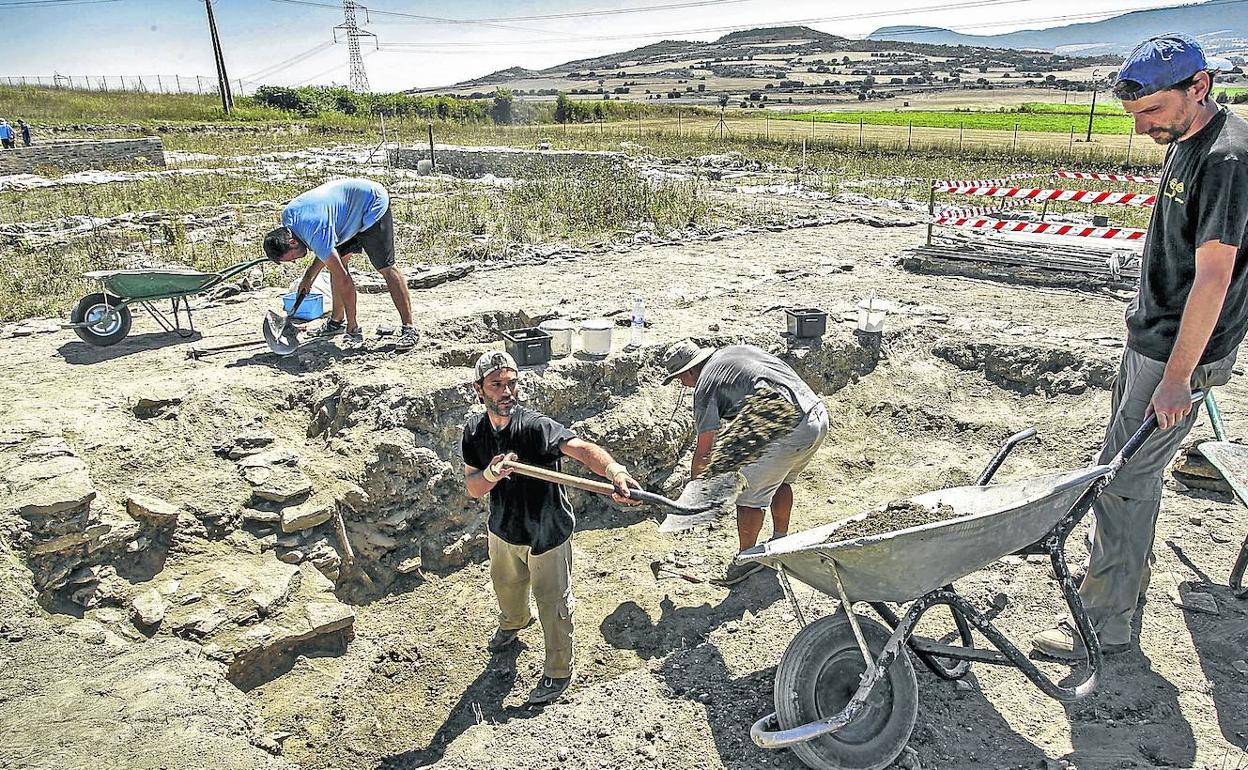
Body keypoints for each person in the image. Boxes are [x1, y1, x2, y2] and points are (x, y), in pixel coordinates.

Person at [1032, 33, 1248, 660]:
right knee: (1117, 468)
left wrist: (1179, 376)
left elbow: (1215, 276)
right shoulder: (1185, 139)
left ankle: (1106, 623)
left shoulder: (1227, 160)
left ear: (1197, 88)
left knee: (1128, 479)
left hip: (1178, 353)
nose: (1144, 125)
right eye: (1135, 115)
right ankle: (1112, 581)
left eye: (1153, 110)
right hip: (1152, 336)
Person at [461, 351, 641, 705]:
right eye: (497, 384)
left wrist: (615, 472)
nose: (507, 391)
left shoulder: (535, 427)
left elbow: (581, 448)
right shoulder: (474, 432)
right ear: (478, 390)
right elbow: (473, 487)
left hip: (547, 533)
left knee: (553, 606)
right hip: (504, 530)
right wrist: (493, 473)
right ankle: (513, 624)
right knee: (507, 590)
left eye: (512, 383)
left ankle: (559, 672)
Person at [662, 340, 829, 586]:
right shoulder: (734, 353)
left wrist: (694, 497)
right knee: (780, 481)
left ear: (688, 371)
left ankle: (746, 560)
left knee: (747, 495)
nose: (681, 384)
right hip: (816, 415)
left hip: (787, 428)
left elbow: (704, 450)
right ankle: (780, 540)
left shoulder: (705, 387)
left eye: (679, 378)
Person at [262, 177, 417, 350]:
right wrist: (308, 278)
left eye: (291, 258)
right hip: (344, 216)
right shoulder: (289, 220)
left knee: (386, 267)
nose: (295, 261)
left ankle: (408, 328)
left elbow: (342, 277)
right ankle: (336, 321)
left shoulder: (314, 230)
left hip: (371, 204)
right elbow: (324, 250)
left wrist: (354, 325)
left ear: (292, 243)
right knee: (337, 265)